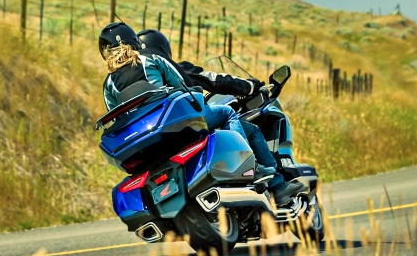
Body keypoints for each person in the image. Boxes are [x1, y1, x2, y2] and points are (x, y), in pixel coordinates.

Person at [99, 22, 282, 192]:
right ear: (133, 41)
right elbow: (183, 84)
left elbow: (117, 118)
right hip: (173, 124)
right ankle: (251, 166)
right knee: (227, 113)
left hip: (143, 141)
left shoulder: (108, 84)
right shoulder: (150, 58)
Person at [136, 28, 303, 205]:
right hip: (185, 125)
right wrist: (249, 86)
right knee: (246, 127)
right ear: (162, 48)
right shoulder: (174, 68)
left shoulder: (132, 81)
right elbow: (214, 80)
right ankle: (275, 184)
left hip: (153, 140)